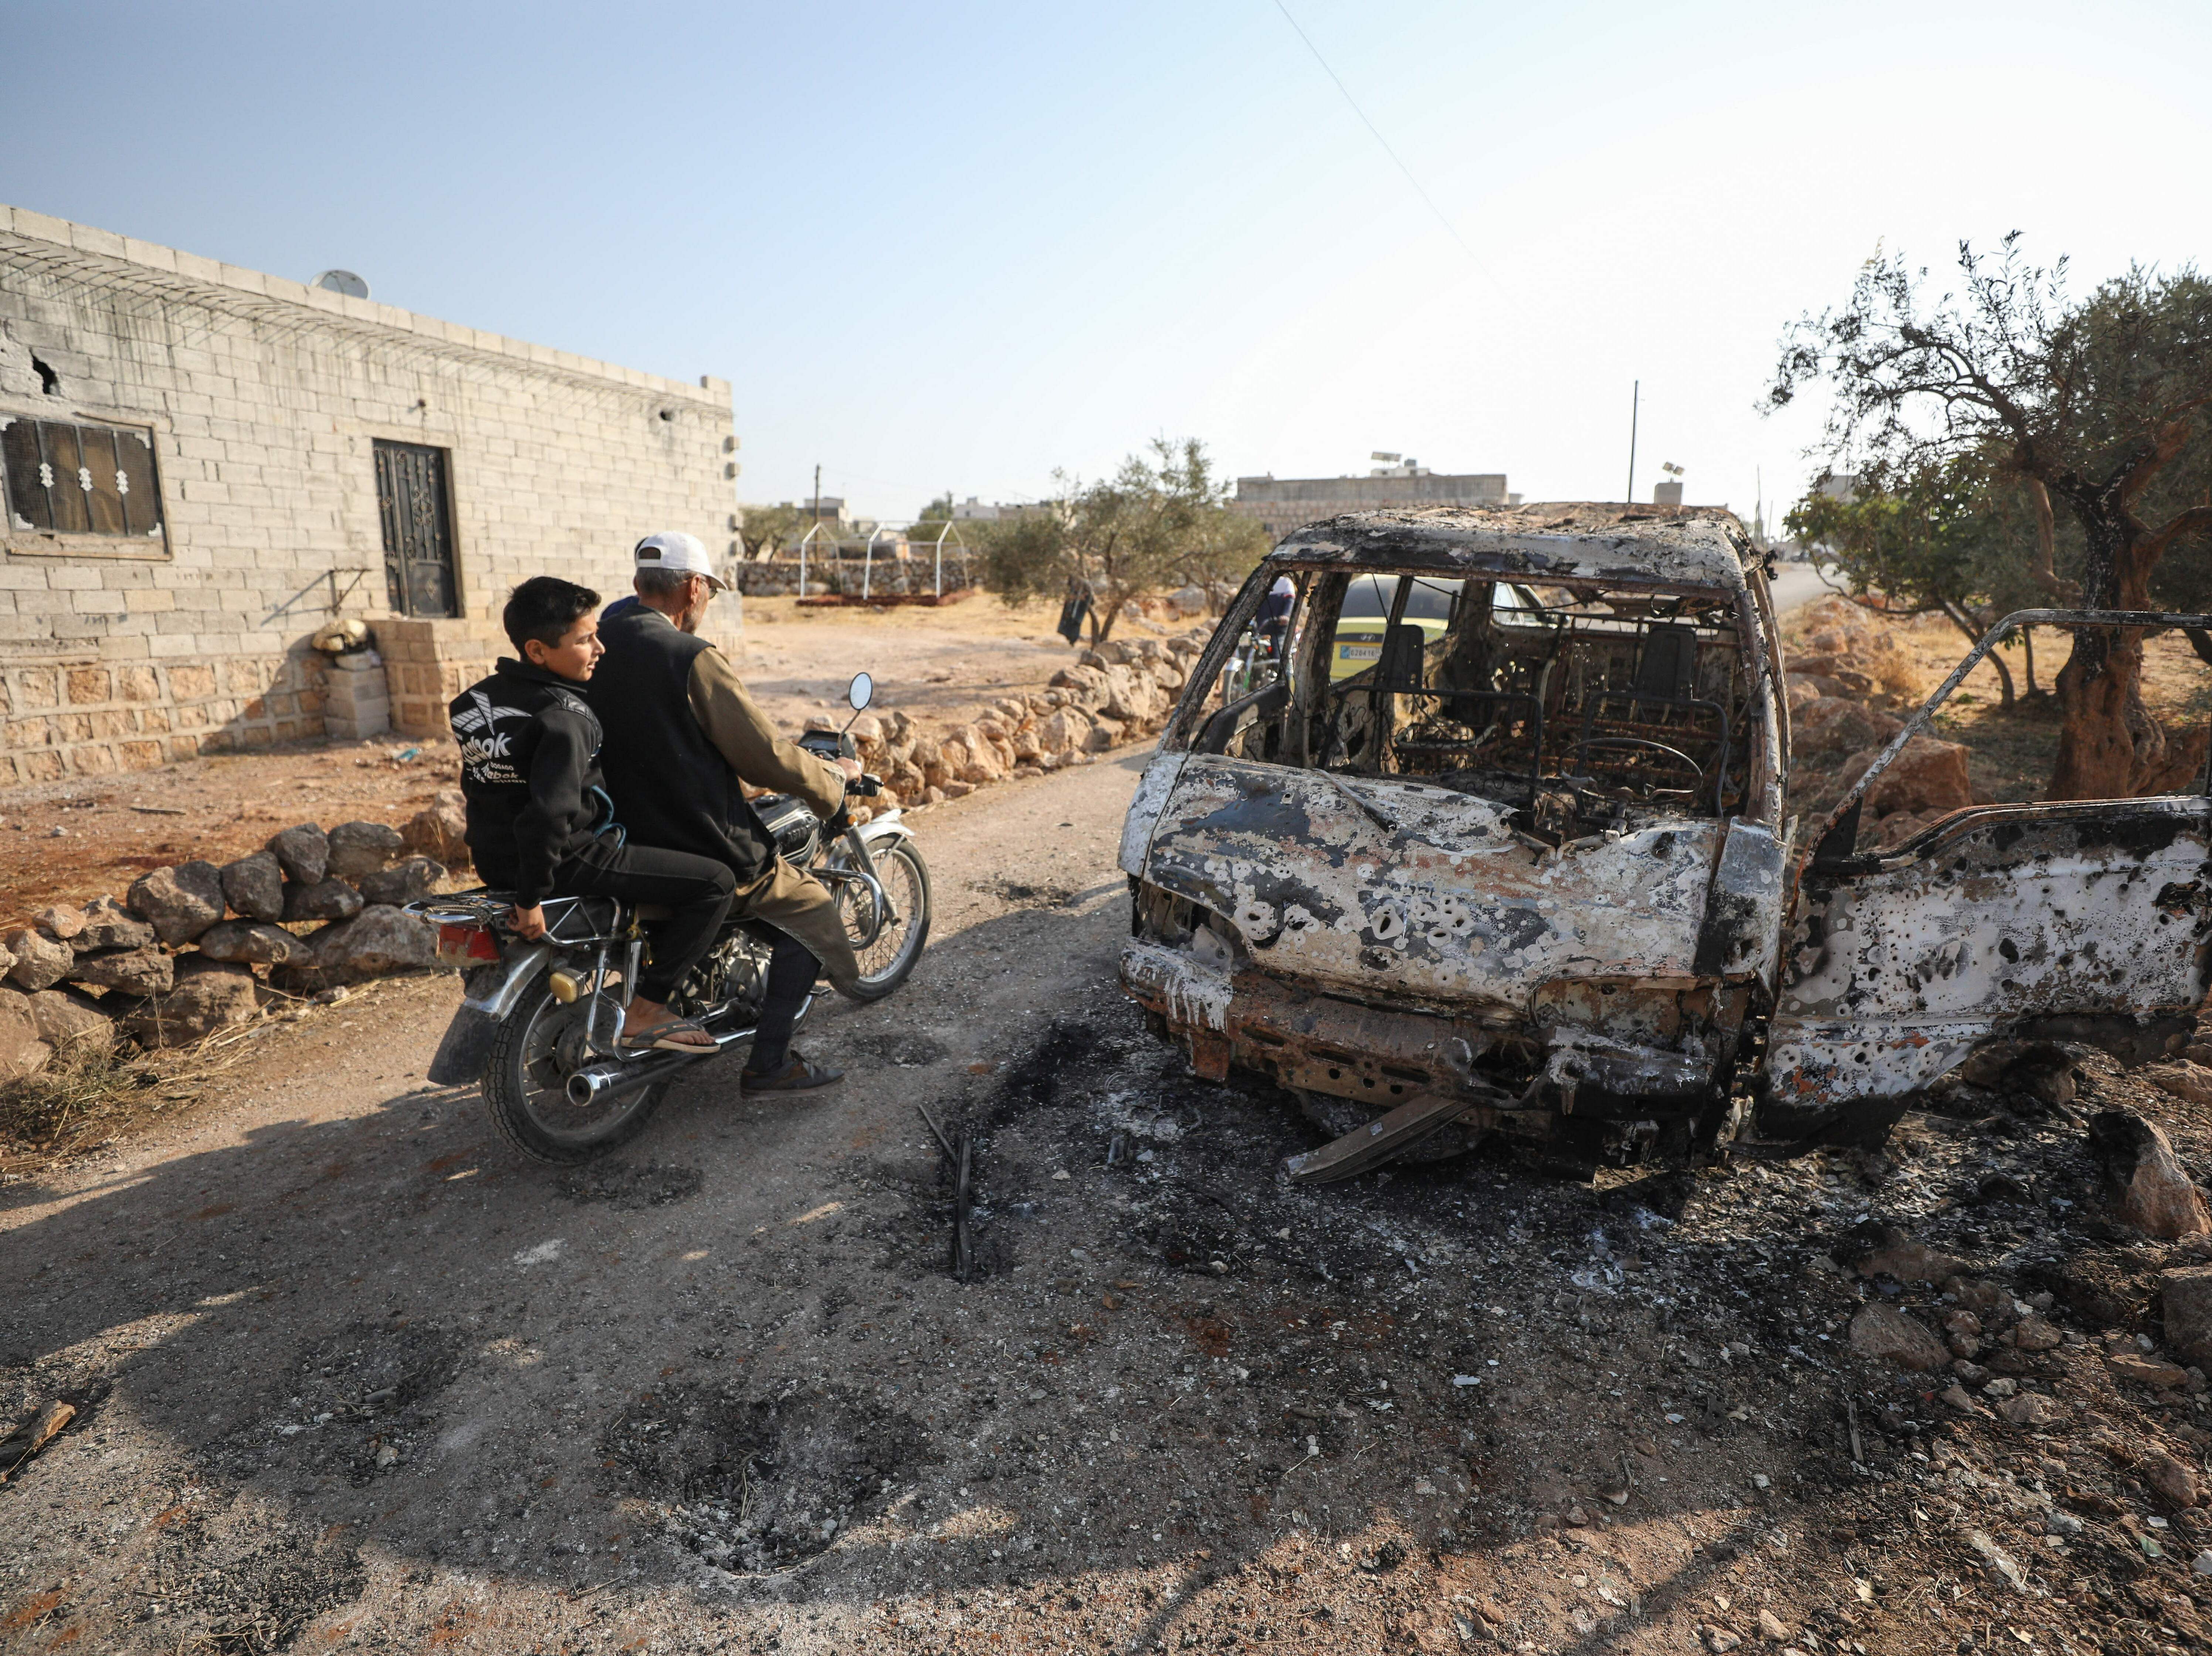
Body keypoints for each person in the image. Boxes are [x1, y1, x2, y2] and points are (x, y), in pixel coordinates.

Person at [587, 532, 865, 1093]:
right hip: (692, 835)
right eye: (710, 591)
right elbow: (763, 755)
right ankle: (770, 1064)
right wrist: (830, 785)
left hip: (615, 834)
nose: (708, 601)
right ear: (692, 589)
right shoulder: (691, 657)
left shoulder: (595, 642)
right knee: (811, 910)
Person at [451, 576, 735, 1053]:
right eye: (585, 640)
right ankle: (648, 1008)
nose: (600, 648)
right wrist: (531, 896)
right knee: (717, 883)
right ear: (538, 651)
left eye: (597, 633)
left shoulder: (474, 705)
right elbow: (550, 814)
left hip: (495, 859)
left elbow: (484, 789)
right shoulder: (566, 717)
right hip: (566, 861)